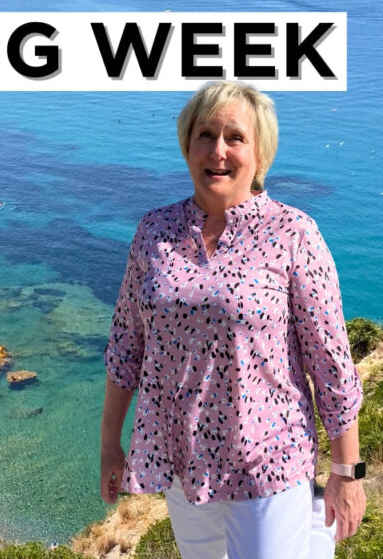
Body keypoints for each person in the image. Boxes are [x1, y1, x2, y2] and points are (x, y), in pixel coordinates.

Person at [100, 81, 365, 558]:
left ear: (260, 152)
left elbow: (331, 365)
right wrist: (109, 445)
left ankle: (314, 534)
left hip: (270, 460)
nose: (218, 151)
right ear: (187, 145)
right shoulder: (154, 232)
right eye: (205, 135)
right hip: (183, 463)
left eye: (235, 138)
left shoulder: (293, 233)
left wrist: (347, 473)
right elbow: (125, 347)